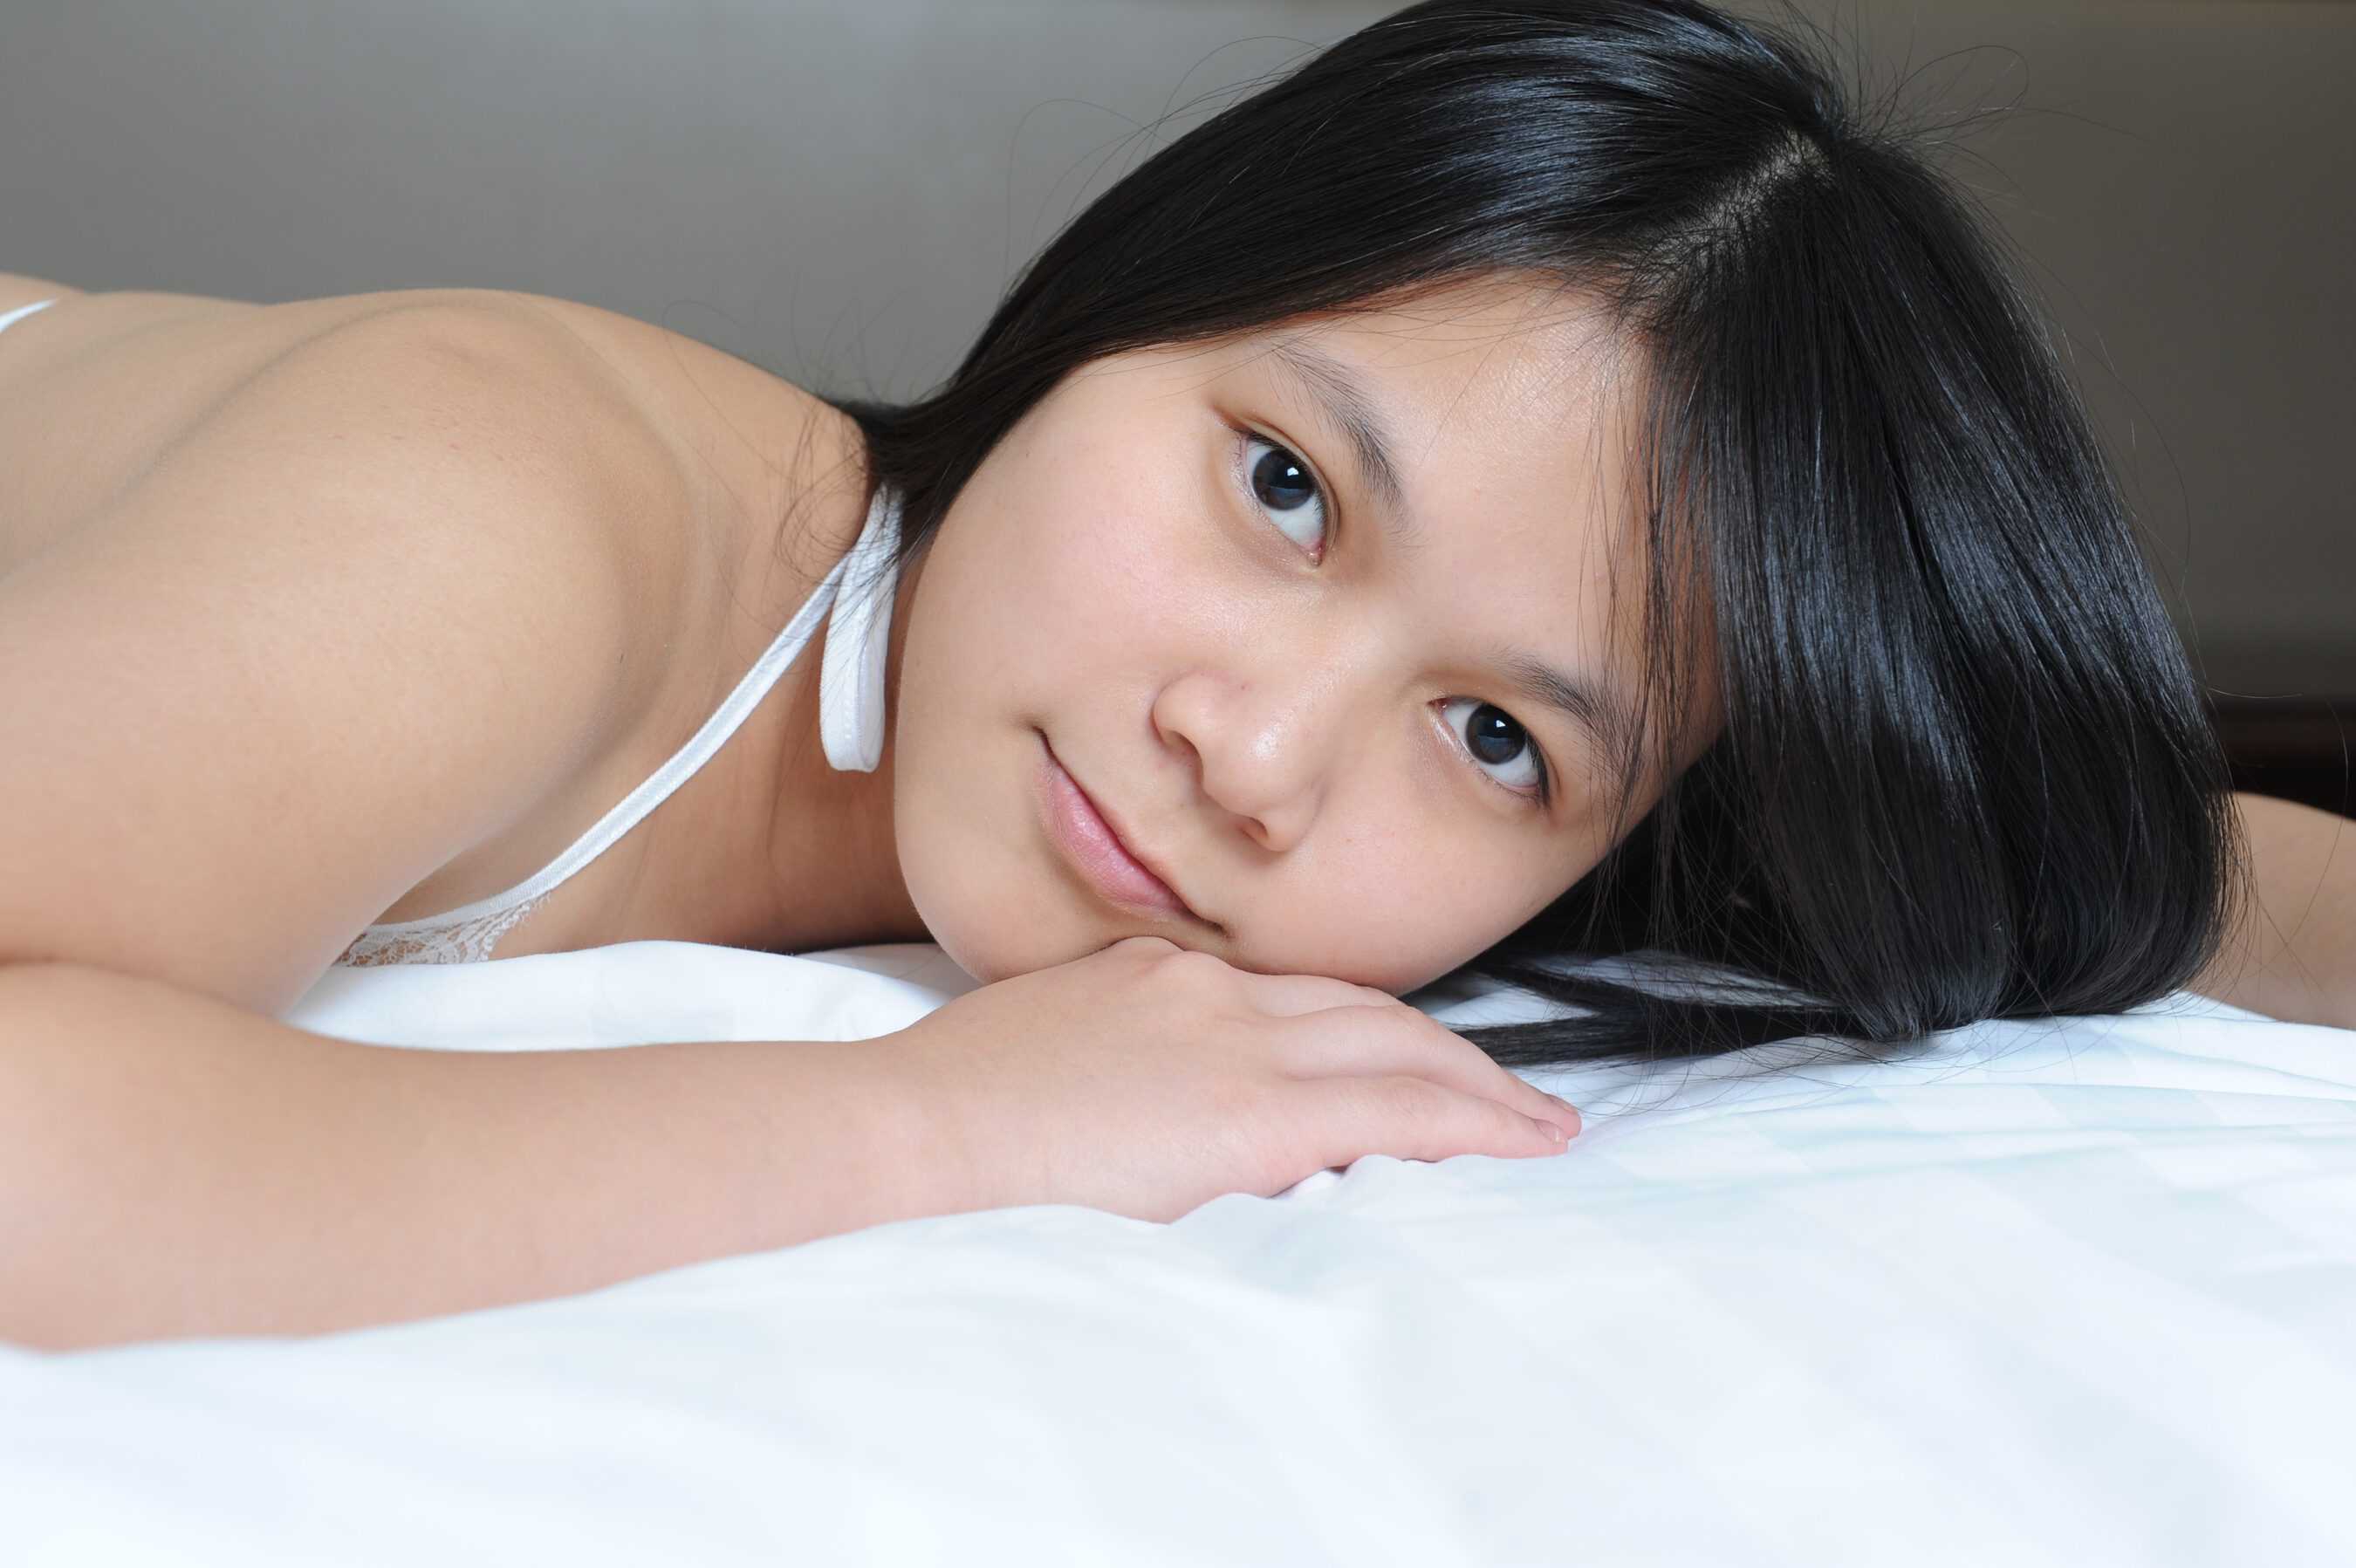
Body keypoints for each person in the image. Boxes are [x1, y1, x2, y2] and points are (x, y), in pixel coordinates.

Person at [2, 0, 2344, 1348]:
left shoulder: (1473, 869)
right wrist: (938, 1129)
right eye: (1287, 488)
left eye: (1496, 735)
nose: (1251, 756)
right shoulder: (488, 523)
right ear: (1124, 301)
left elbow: (2135, 873)